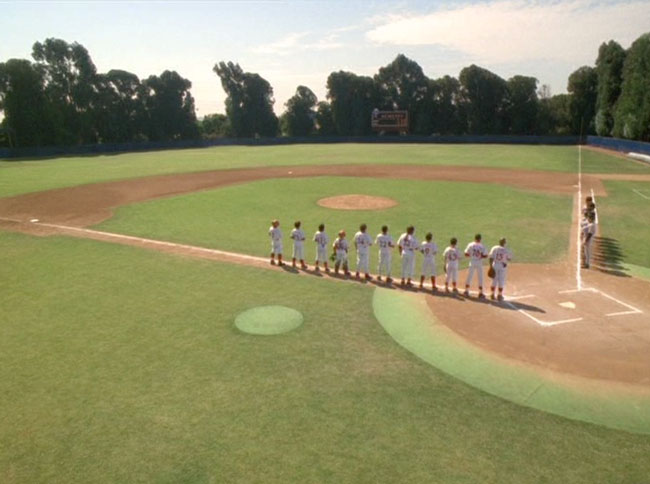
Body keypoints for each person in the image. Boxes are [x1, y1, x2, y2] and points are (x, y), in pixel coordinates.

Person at [464, 233, 488, 298]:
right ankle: (480, 293)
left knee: (469, 276)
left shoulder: (470, 244)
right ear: (480, 239)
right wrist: (481, 256)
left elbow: (466, 254)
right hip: (479, 262)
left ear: (475, 238)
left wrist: (471, 255)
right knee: (480, 277)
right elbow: (486, 255)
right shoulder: (482, 246)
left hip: (472, 262)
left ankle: (466, 291)